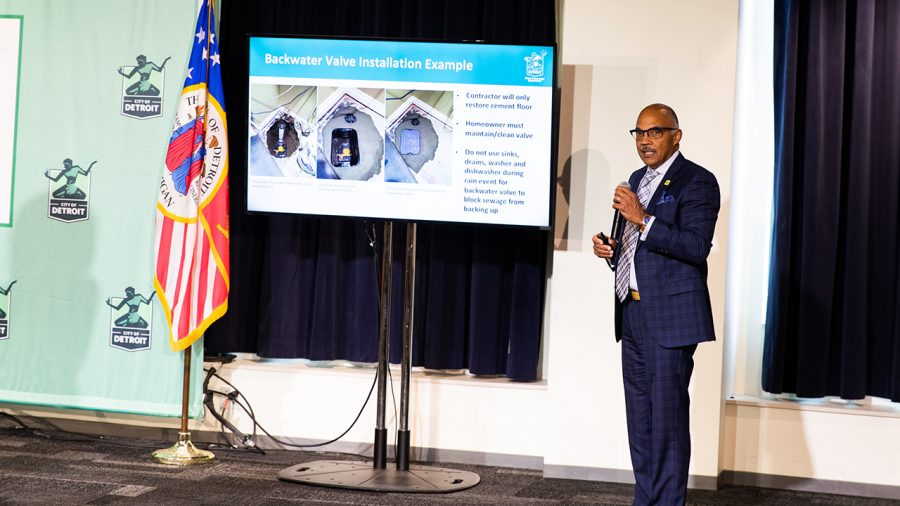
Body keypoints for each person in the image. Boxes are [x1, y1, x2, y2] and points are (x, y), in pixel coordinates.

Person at [593, 103, 720, 505]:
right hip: (631, 313)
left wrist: (642, 219)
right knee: (641, 420)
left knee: (666, 422)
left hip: (670, 319)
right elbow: (638, 248)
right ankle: (645, 499)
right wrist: (612, 251)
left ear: (676, 136)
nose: (645, 141)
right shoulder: (637, 179)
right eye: (639, 133)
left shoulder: (697, 182)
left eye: (655, 132)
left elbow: (696, 247)